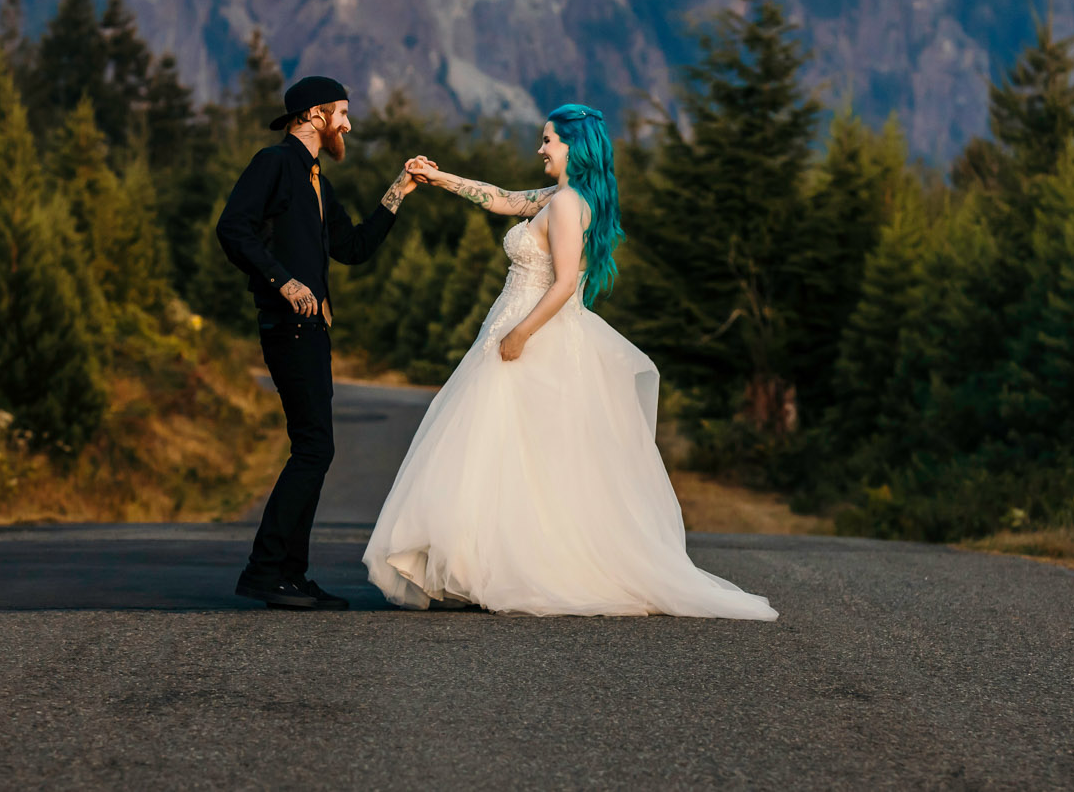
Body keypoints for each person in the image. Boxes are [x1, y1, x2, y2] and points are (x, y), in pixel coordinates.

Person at [362, 103, 777, 619]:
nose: (540, 149)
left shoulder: (564, 206)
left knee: (501, 448)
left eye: (548, 140)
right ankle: (478, 564)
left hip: (532, 334)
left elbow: (562, 283)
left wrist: (520, 335)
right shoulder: (558, 198)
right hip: (520, 328)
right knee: (509, 454)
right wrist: (435, 176)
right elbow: (503, 199)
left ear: (572, 148)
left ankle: (493, 565)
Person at [215, 75, 430, 610]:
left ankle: (290, 574)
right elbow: (233, 228)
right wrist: (282, 280)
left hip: (312, 330)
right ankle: (267, 571)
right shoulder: (274, 163)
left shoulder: (316, 181)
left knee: (314, 448)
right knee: (314, 448)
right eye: (342, 114)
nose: (348, 126)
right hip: (287, 323)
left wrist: (398, 192)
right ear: (314, 116)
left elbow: (353, 246)